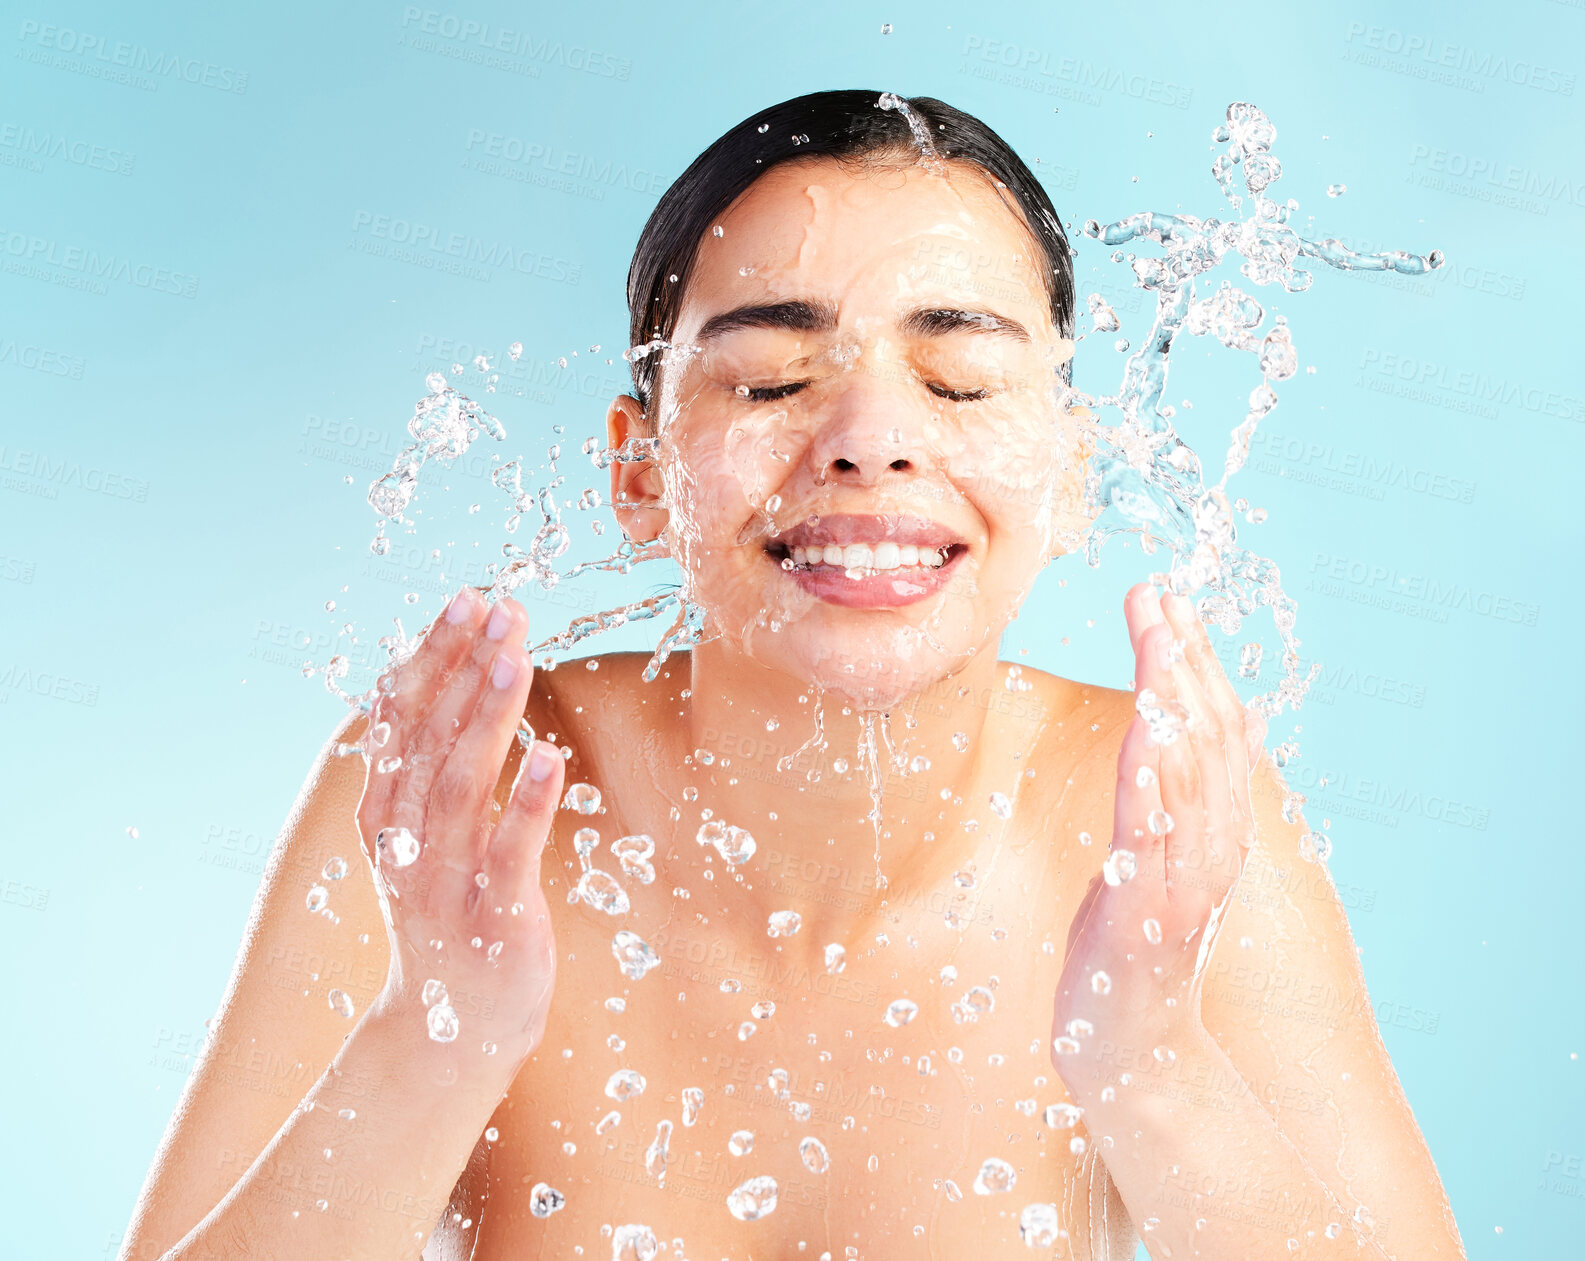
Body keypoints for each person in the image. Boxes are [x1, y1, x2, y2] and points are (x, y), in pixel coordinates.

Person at [120, 90, 1466, 1260]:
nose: (869, 438)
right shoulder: (456, 799)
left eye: (958, 378)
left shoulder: (1150, 823)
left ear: (1067, 469)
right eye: (768, 381)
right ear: (637, 469)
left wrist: (1148, 1062)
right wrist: (435, 1035)